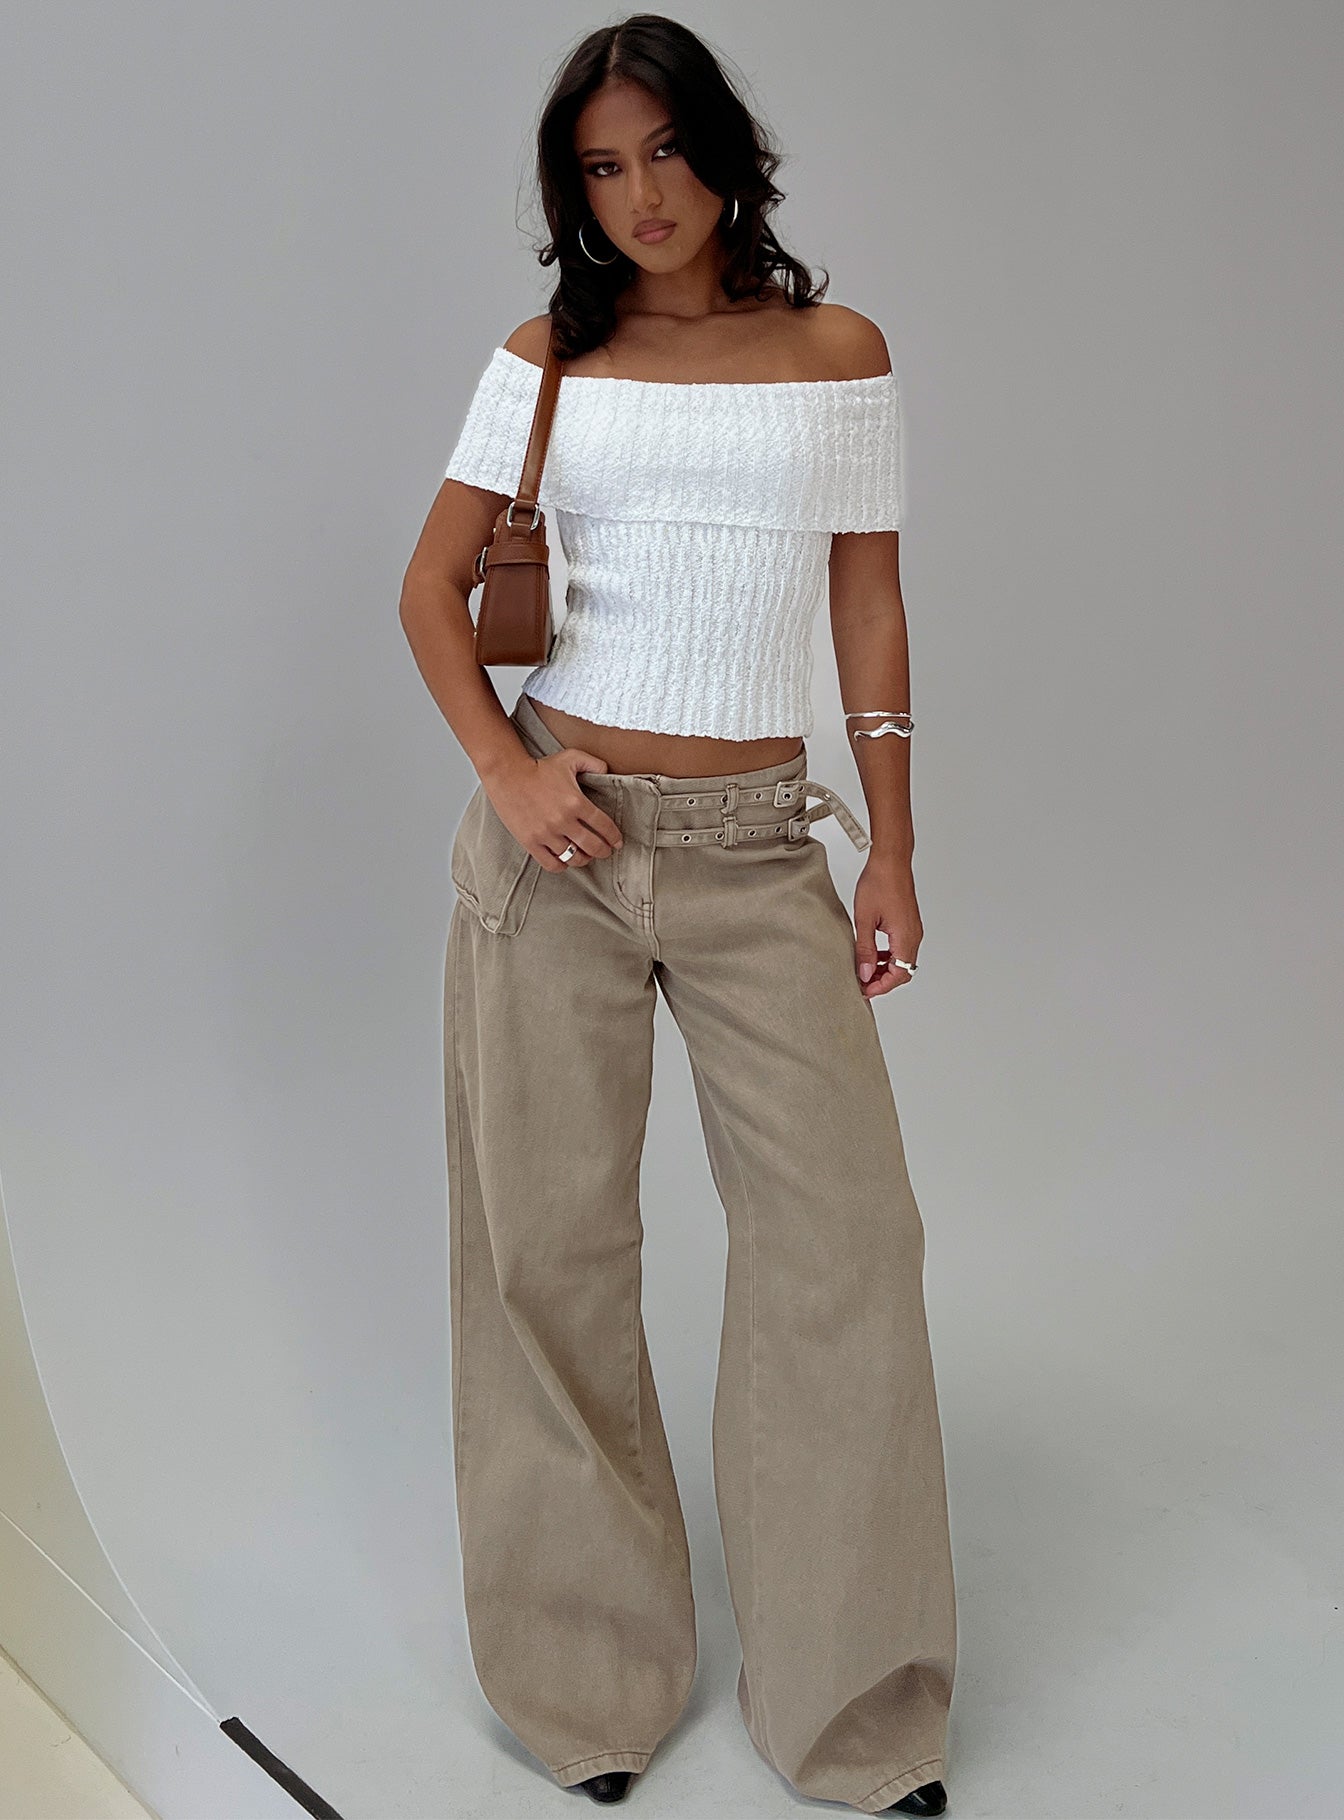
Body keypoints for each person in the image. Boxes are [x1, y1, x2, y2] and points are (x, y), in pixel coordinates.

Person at [400, 15, 957, 1815]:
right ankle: (587, 1686)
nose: (640, 195)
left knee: (845, 1250)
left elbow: (867, 603)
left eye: (662, 150)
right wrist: (508, 776)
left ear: (724, 149)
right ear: (574, 191)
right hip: (555, 847)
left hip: (754, 850)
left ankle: (855, 1713)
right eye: (601, 167)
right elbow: (428, 591)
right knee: (547, 1256)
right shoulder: (547, 361)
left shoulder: (836, 353)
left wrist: (891, 846)